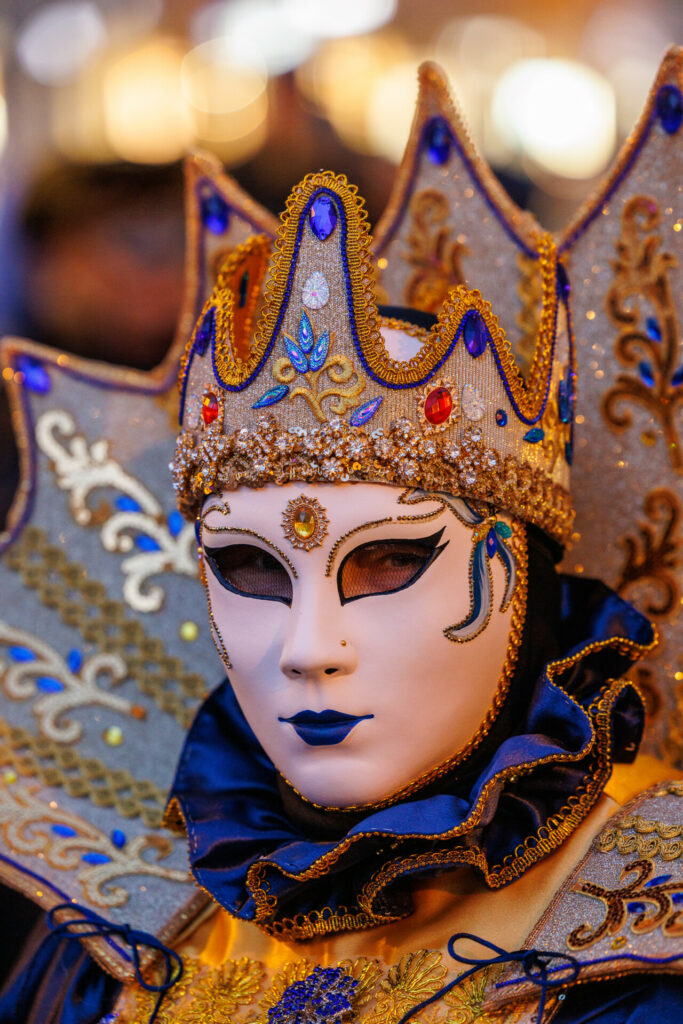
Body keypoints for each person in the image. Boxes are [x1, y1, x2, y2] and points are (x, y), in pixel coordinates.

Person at [0, 55, 681, 1024]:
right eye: (249, 569)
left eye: (388, 561)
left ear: (503, 574)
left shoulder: (643, 935)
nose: (309, 648)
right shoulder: (121, 927)